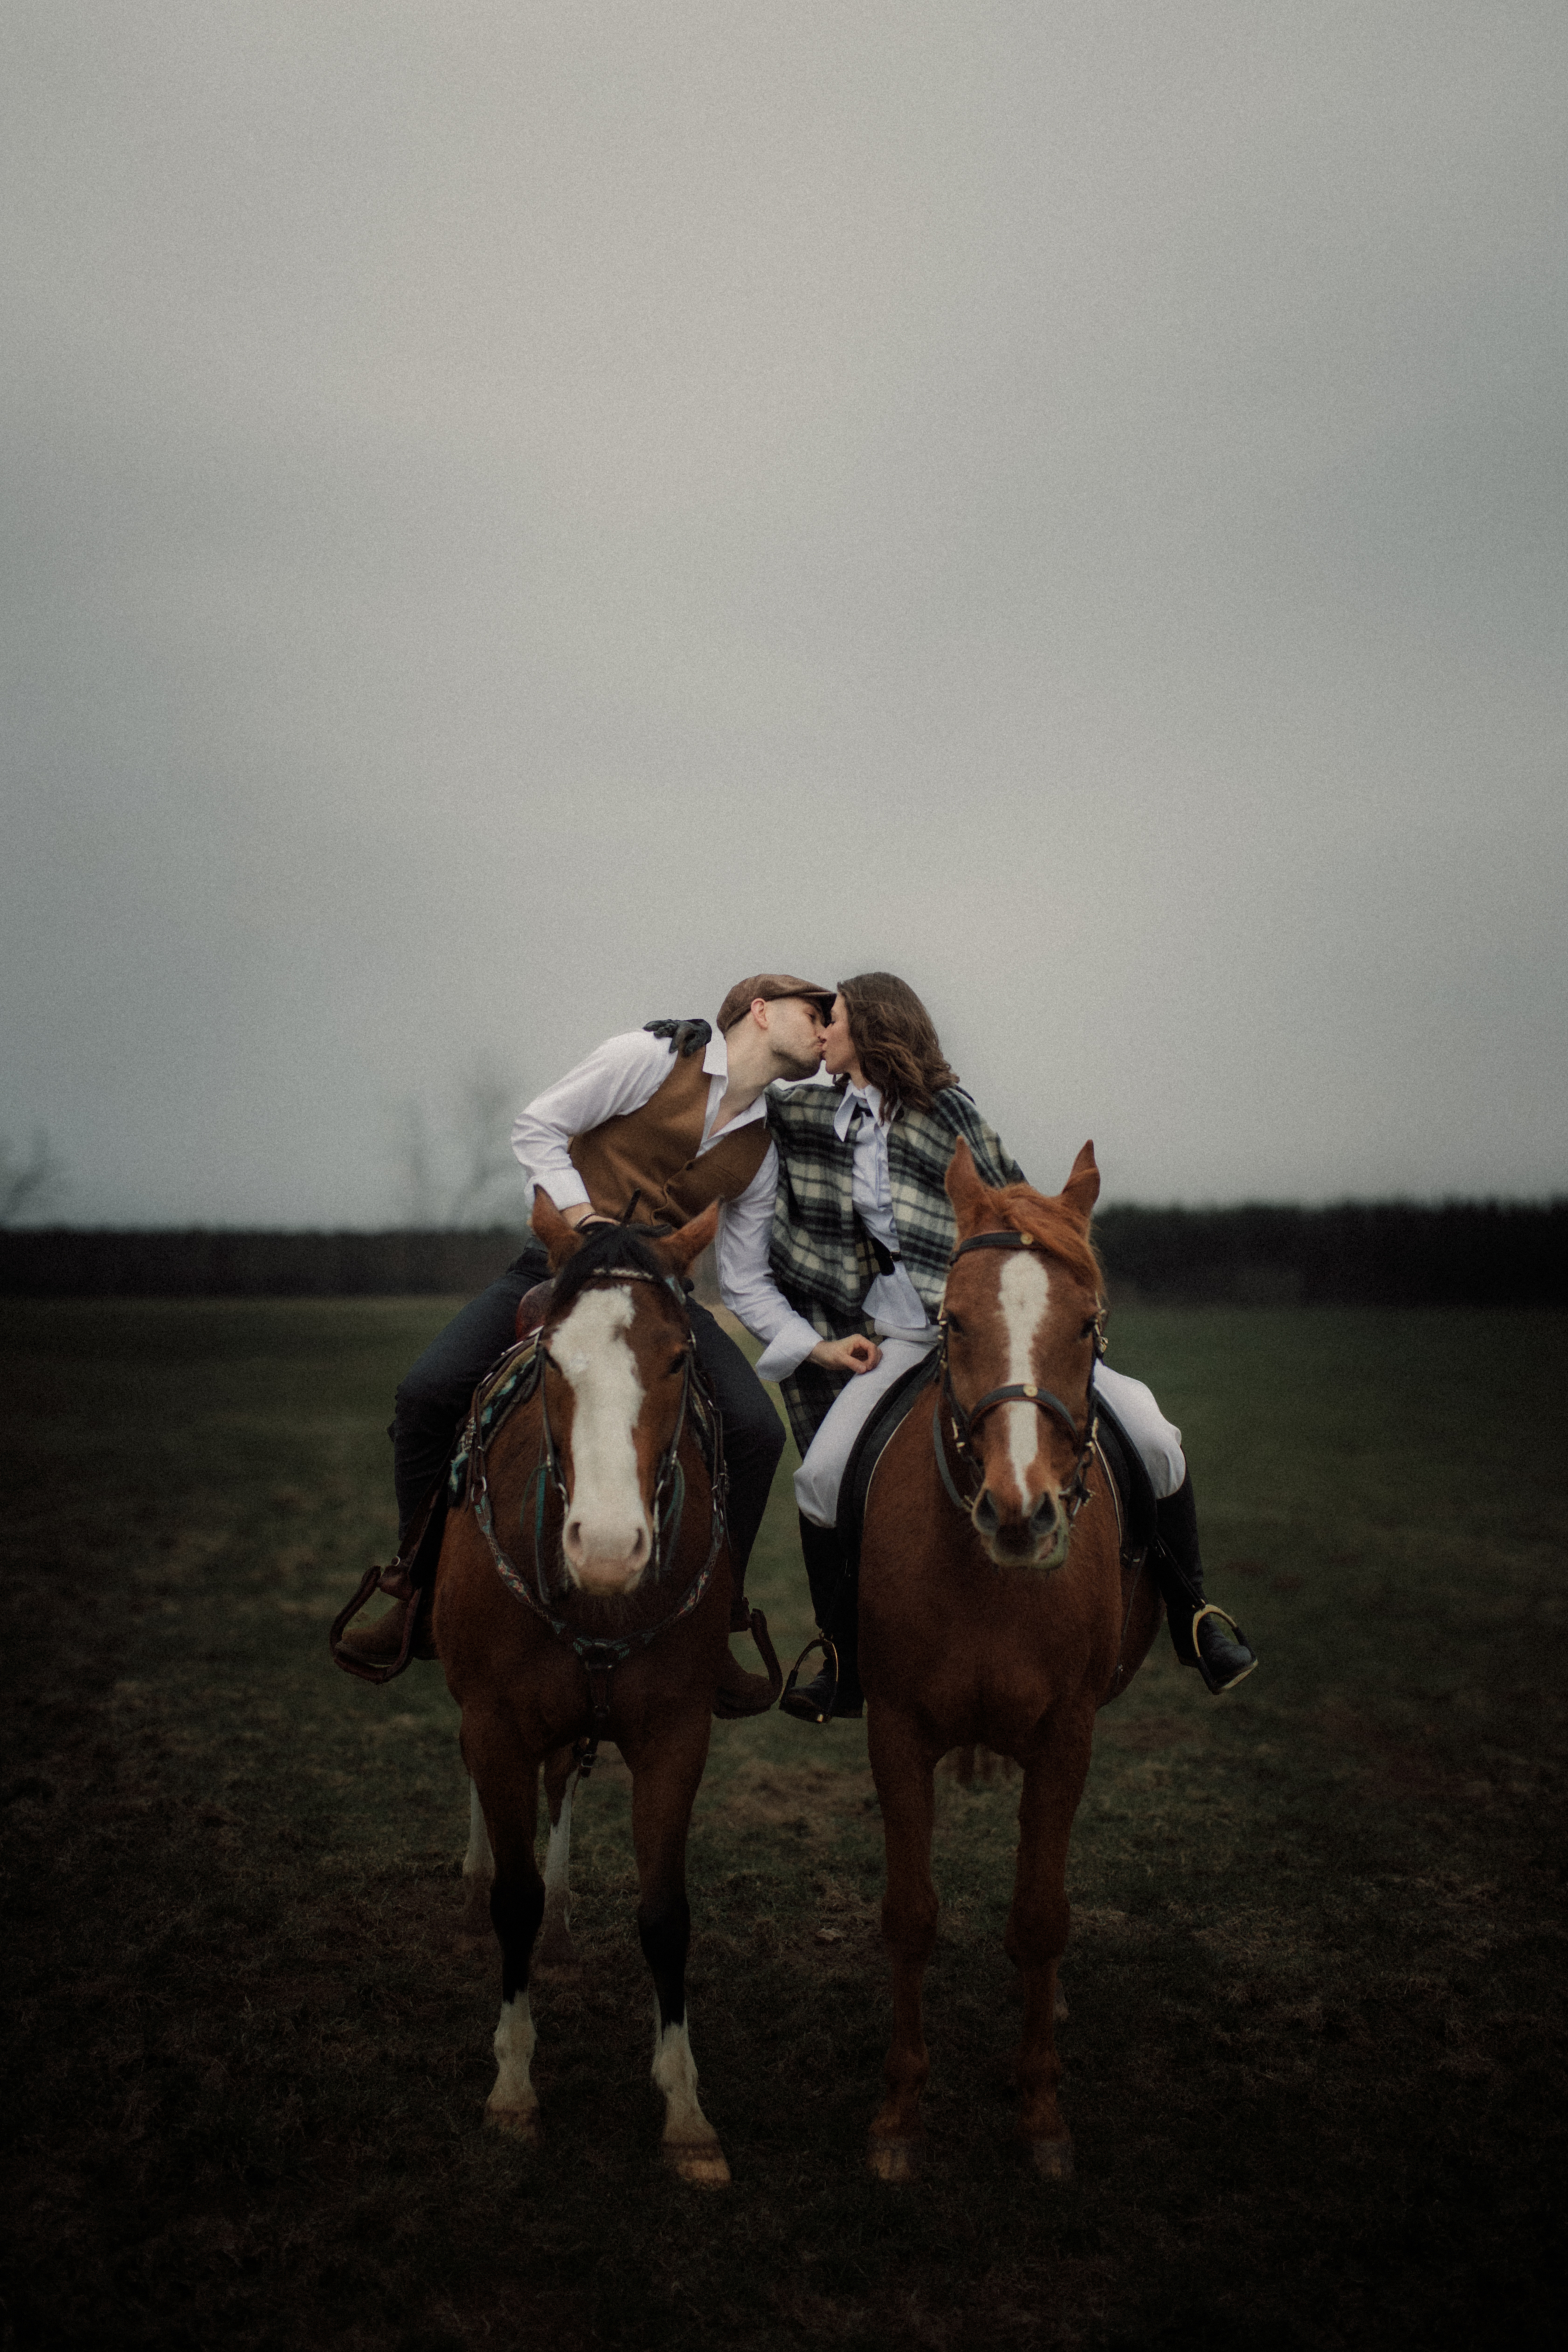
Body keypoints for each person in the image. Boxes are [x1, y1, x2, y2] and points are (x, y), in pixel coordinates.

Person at [719, 971, 1257, 1722]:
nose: (820, 1030)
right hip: (894, 1341)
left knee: (1156, 1435)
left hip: (990, 1330)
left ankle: (1196, 1617)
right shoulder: (804, 1114)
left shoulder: (950, 1115)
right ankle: (841, 1654)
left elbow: (1021, 1218)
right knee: (820, 1478)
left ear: (872, 1027)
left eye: (832, 1017)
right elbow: (730, 1100)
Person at [338, 975, 840, 1716]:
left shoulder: (762, 1149)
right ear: (760, 1012)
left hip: (664, 1296)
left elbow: (744, 1280)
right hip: (559, 1273)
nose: (829, 1028)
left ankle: (720, 1620)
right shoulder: (647, 1055)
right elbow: (535, 1126)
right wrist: (581, 1217)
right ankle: (413, 1591)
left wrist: (813, 1346)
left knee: (757, 1430)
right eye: (815, 1012)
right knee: (426, 1393)